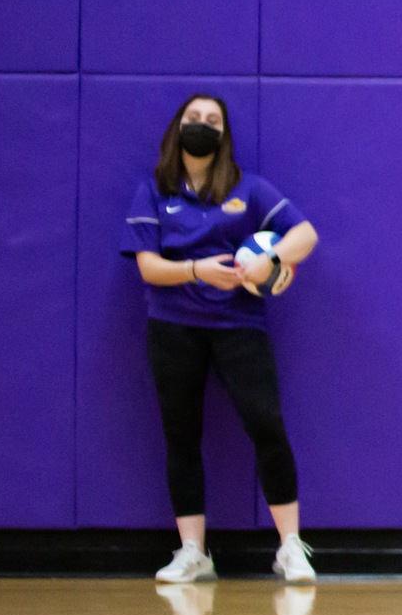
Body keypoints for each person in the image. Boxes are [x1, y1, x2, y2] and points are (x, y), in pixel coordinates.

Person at [122, 93, 322, 584]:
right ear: (178, 127)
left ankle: (291, 548)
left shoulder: (247, 189)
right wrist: (196, 270)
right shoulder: (153, 191)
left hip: (239, 327)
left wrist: (270, 261)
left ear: (223, 133)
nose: (202, 126)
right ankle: (193, 552)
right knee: (181, 435)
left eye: (213, 120)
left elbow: (306, 235)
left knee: (266, 424)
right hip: (173, 327)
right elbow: (149, 268)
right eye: (194, 118)